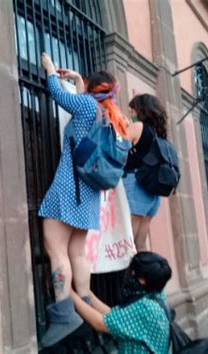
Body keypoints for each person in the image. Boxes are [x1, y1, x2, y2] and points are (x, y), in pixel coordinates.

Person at [39, 53, 131, 348]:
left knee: (56, 252)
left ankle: (63, 314)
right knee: (77, 253)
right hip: (91, 197)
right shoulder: (113, 119)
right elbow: (82, 119)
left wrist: (51, 71)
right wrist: (80, 83)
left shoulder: (86, 106)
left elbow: (56, 94)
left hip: (68, 188)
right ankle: (86, 299)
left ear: (93, 88)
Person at [71, 251, 172, 353]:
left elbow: (99, 323)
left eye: (133, 271)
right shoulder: (157, 296)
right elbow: (113, 315)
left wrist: (70, 293)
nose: (130, 274)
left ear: (142, 280)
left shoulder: (146, 307)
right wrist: (86, 293)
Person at [123, 94, 168, 251]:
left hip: (136, 184)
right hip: (152, 191)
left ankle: (129, 275)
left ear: (140, 111)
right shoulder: (159, 133)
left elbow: (119, 147)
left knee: (128, 242)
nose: (131, 114)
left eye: (132, 111)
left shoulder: (138, 127)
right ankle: (144, 274)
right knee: (140, 243)